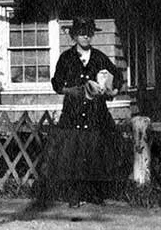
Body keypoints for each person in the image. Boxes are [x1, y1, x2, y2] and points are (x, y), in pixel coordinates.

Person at [41, 17, 127, 207]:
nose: (86, 36)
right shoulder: (66, 58)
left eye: (89, 32)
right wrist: (72, 91)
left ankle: (94, 193)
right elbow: (56, 84)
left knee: (96, 151)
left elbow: (117, 77)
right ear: (74, 36)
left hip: (96, 112)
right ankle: (74, 195)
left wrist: (111, 91)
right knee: (74, 153)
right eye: (81, 33)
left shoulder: (99, 57)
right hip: (73, 111)